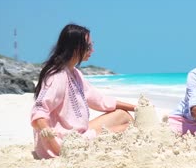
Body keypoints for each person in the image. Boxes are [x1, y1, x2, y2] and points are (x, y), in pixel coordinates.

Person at [30, 24, 136, 159]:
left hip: (76, 133)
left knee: (122, 115)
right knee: (129, 129)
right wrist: (49, 135)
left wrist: (137, 108)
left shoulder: (75, 73)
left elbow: (100, 101)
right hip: (65, 143)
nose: (92, 50)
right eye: (88, 46)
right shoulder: (57, 75)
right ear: (75, 48)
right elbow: (39, 110)